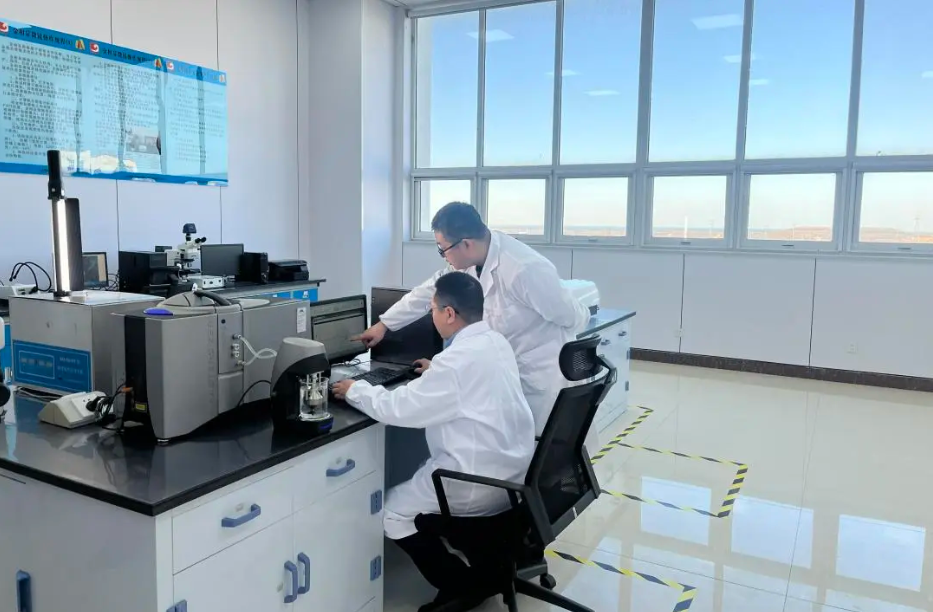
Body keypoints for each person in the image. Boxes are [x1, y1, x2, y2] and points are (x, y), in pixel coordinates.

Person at [332, 272, 535, 612]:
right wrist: (436, 371)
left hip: (471, 483)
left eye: (433, 309)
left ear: (450, 313)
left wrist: (356, 389)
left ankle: (460, 585)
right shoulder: (495, 342)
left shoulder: (454, 364)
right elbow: (466, 381)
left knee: (391, 513)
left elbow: (397, 408)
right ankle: (479, 566)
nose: (432, 315)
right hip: (512, 478)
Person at [356, 202, 590, 435]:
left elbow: (573, 317)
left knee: (539, 447)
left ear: (466, 244)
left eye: (443, 249)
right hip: (505, 374)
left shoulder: (525, 269)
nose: (443, 257)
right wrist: (384, 325)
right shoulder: (470, 262)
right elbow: (430, 290)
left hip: (541, 379)